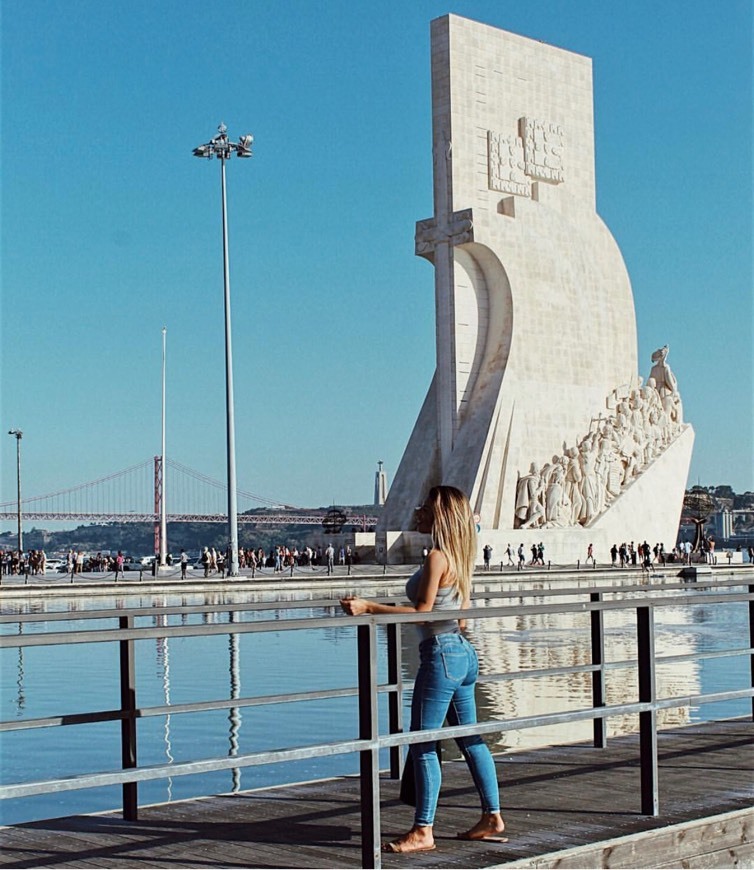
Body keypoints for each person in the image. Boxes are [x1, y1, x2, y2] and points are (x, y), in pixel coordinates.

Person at [340, 486, 505, 854]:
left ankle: (423, 829)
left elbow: (423, 612)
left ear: (439, 515)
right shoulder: (462, 556)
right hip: (463, 653)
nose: (418, 510)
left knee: (423, 742)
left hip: (442, 655)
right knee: (470, 739)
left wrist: (369, 607)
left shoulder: (437, 558)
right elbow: (456, 614)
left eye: (425, 506)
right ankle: (492, 815)